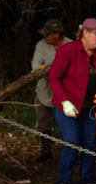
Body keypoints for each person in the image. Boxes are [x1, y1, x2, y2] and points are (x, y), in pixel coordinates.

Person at [49, 18, 96, 184]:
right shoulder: (68, 51)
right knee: (72, 143)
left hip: (89, 108)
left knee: (90, 144)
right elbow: (54, 77)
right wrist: (64, 101)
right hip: (67, 107)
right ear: (85, 33)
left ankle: (88, 180)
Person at [31, 19, 72, 162]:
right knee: (42, 120)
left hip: (66, 91)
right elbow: (35, 65)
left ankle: (71, 149)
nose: (44, 37)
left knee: (68, 120)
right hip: (45, 89)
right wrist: (44, 69)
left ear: (56, 35)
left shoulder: (71, 45)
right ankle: (46, 149)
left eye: (47, 34)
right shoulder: (41, 46)